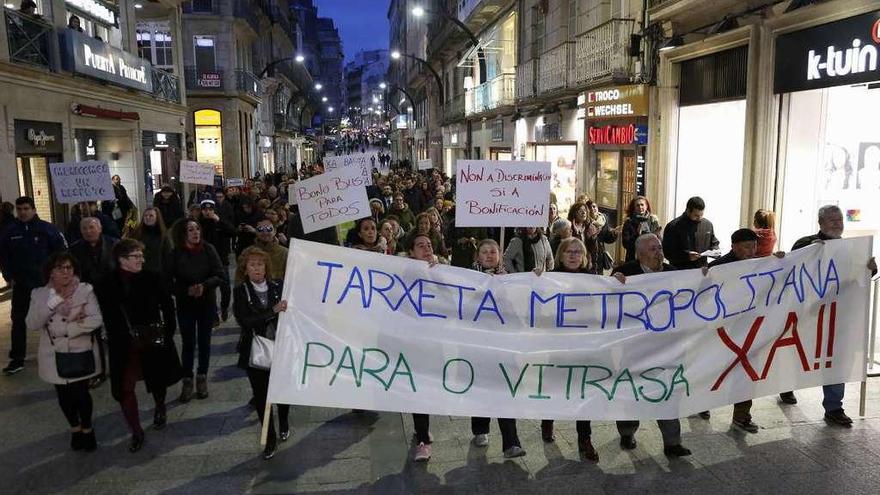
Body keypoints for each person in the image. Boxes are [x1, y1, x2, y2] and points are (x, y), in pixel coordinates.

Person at [777, 205, 877, 425]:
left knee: (837, 358)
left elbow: (861, 274)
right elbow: (789, 266)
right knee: (800, 353)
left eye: (840, 219)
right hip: (809, 315)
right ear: (820, 223)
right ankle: (786, 385)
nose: (837, 223)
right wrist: (810, 252)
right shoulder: (806, 244)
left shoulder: (851, 248)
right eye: (832, 220)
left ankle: (834, 407)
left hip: (838, 315)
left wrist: (871, 267)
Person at [95, 239, 182, 452]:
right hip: (122, 342)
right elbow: (105, 313)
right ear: (122, 259)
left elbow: (168, 305)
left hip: (151, 338)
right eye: (136, 256)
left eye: (141, 255)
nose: (142, 259)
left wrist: (169, 330)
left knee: (156, 378)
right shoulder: (106, 282)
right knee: (124, 388)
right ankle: (136, 430)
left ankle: (160, 408)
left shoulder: (152, 277)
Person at [611, 234, 692, 457]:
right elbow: (607, 302)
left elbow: (697, 289)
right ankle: (627, 432)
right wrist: (613, 283)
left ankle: (672, 442)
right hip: (635, 346)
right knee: (632, 389)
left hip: (666, 347)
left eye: (659, 248)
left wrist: (704, 274)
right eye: (653, 249)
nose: (659, 253)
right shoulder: (625, 273)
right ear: (639, 254)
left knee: (667, 391)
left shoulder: (673, 272)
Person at [26, 253, 102, 452]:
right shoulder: (39, 294)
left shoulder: (85, 290)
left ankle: (87, 429)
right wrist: (52, 304)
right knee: (64, 395)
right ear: (51, 272)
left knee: (81, 394)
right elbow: (33, 324)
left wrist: (68, 329)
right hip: (52, 353)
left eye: (69, 267)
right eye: (60, 268)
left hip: (80, 349)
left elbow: (96, 319)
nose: (66, 272)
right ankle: (75, 429)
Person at [538, 237, 600, 461]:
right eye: (569, 252)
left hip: (583, 345)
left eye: (578, 252)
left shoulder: (593, 279)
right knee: (554, 385)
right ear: (561, 255)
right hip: (558, 344)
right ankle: (548, 420)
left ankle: (585, 439)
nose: (574, 256)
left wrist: (619, 280)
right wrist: (534, 280)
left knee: (582, 390)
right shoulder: (550, 278)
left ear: (584, 256)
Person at [467, 239, 525, 458]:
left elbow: (520, 304)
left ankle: (511, 442)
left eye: (493, 251)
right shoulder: (469, 278)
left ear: (500, 255)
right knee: (481, 387)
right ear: (478, 256)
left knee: (504, 389)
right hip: (479, 345)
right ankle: (480, 429)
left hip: (504, 345)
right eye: (485, 251)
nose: (490, 255)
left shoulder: (511, 279)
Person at [233, 247, 291, 460]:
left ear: (266, 267)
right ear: (245, 269)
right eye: (252, 265)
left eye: (260, 264)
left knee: (283, 391)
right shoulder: (241, 291)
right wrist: (272, 312)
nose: (257, 268)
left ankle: (284, 420)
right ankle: (270, 437)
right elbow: (244, 321)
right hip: (255, 351)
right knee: (261, 395)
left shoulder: (279, 286)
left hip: (281, 348)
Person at [0, 196, 67, 375]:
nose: (22, 212)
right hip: (22, 285)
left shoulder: (48, 230)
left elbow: (61, 253)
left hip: (46, 284)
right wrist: (9, 276)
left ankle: (59, 351)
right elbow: (4, 256)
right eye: (19, 209)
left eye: (26, 209)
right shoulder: (10, 232)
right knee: (19, 321)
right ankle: (17, 358)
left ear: (33, 209)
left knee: (54, 319)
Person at [165, 219, 225, 402]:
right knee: (188, 342)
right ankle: (187, 379)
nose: (195, 232)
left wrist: (204, 286)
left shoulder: (208, 250)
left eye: (197, 229)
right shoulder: (175, 254)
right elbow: (167, 281)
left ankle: (202, 376)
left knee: (204, 341)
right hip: (186, 304)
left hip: (206, 303)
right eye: (190, 230)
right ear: (183, 234)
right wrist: (185, 290)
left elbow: (220, 275)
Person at [407, 233, 438, 462]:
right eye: (420, 246)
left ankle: (423, 430)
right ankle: (423, 441)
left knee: (429, 390)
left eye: (429, 245)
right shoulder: (404, 272)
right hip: (411, 343)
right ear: (410, 252)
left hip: (436, 343)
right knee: (417, 390)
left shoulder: (443, 269)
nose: (426, 248)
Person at [661, 196, 719, 270]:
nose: (699, 218)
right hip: (681, 271)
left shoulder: (707, 225)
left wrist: (715, 251)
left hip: (702, 271)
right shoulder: (673, 226)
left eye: (701, 215)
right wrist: (687, 256)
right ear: (688, 211)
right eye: (696, 215)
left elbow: (714, 243)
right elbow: (667, 252)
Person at [235, 217, 287, 284]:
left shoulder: (284, 253)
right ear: (256, 231)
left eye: (269, 229)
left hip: (278, 292)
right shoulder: (247, 252)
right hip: (253, 292)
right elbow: (239, 277)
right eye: (260, 229)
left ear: (275, 231)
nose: (265, 232)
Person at [69, 217, 117, 285]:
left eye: (91, 227)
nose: (88, 231)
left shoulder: (114, 244)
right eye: (84, 228)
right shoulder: (74, 249)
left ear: (100, 229)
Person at [126, 208, 173, 275]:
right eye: (145, 215)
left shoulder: (163, 236)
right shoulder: (136, 234)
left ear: (157, 218)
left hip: (157, 273)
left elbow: (168, 257)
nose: (147, 217)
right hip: (139, 272)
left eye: (151, 215)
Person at [621, 196, 662, 262]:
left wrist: (656, 236)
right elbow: (626, 244)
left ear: (646, 206)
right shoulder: (629, 222)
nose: (640, 207)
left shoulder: (653, 220)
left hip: (651, 259)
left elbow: (659, 242)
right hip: (634, 259)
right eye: (637, 205)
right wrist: (637, 234)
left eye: (642, 205)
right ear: (634, 208)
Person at [584, 200, 619, 273]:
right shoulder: (585, 222)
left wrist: (614, 233)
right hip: (588, 254)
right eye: (590, 207)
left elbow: (607, 238)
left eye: (594, 206)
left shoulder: (603, 220)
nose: (592, 209)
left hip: (600, 255)